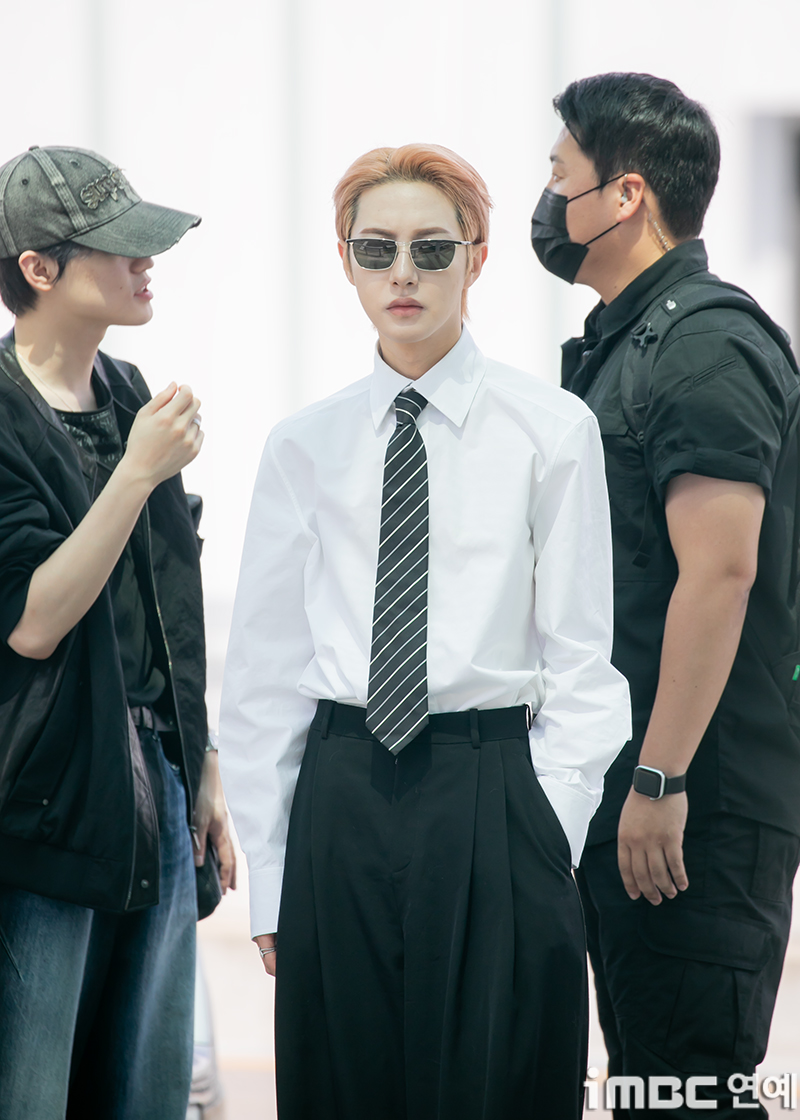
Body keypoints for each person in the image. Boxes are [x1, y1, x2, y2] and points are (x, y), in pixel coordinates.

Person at [220, 142, 631, 1120]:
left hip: (492, 788)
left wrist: (547, 832)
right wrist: (273, 876)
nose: (402, 273)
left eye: (431, 249)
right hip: (339, 793)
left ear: (476, 257)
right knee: (343, 1088)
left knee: (495, 1084)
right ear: (345, 261)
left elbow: (581, 658)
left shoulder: (550, 430)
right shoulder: (302, 446)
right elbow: (265, 677)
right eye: (376, 249)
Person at [532, 72, 800, 1117]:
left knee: (685, 1091)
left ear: (626, 194)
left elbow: (720, 570)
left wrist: (658, 775)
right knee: (648, 1082)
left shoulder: (704, 345)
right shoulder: (628, 343)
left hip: (694, 804)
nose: (548, 199)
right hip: (641, 794)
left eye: (560, 174)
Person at [0, 145, 235, 1120]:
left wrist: (202, 762)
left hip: (158, 779)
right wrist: (136, 474)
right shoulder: (9, 415)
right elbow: (33, 621)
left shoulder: (133, 394)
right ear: (38, 268)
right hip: (47, 795)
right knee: (32, 1083)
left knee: (147, 1085)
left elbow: (171, 598)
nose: (147, 262)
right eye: (118, 246)